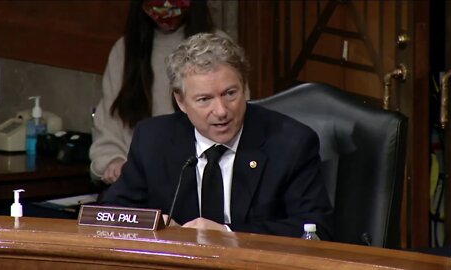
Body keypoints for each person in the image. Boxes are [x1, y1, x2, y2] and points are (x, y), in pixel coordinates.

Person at [100, 33, 334, 240]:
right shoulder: (153, 140)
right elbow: (110, 213)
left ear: (245, 88)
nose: (221, 110)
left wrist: (229, 234)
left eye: (230, 93)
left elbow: (315, 229)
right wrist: (156, 225)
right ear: (181, 101)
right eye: (204, 99)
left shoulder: (291, 143)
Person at [89, 0, 217, 184]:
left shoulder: (217, 47)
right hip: (137, 184)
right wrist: (113, 161)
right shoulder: (124, 50)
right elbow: (109, 124)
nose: (166, 5)